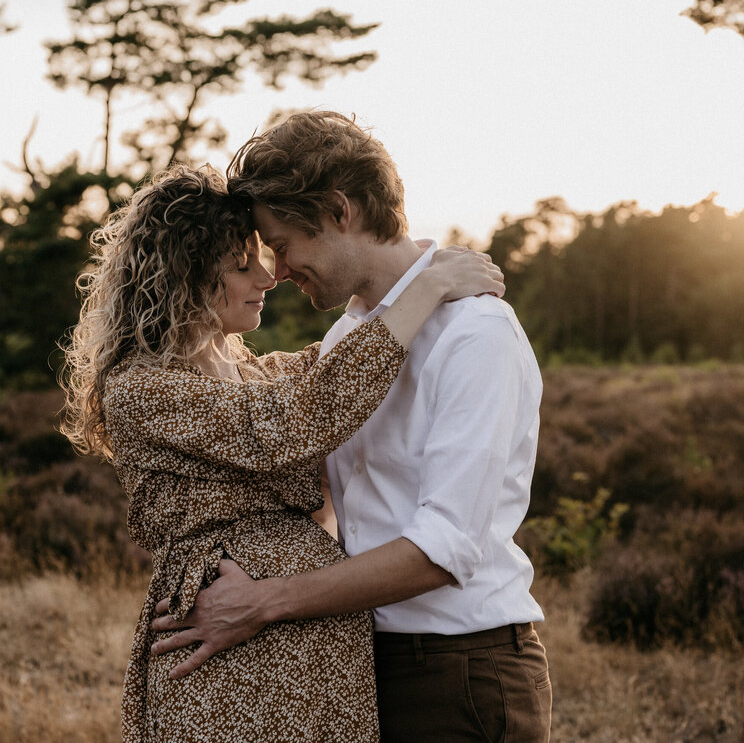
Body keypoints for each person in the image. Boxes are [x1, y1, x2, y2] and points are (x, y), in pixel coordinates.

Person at [58, 163, 505, 742]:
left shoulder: (255, 373)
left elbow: (341, 362)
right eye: (241, 265)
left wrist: (399, 271)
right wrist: (426, 287)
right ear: (185, 278)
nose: (267, 279)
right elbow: (299, 419)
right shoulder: (143, 389)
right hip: (228, 660)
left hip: (317, 655)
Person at [149, 112, 553, 743]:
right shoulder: (348, 338)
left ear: (340, 211)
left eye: (282, 245)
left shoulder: (476, 335)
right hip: (364, 665)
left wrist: (265, 601)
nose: (277, 272)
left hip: (459, 671)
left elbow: (444, 549)